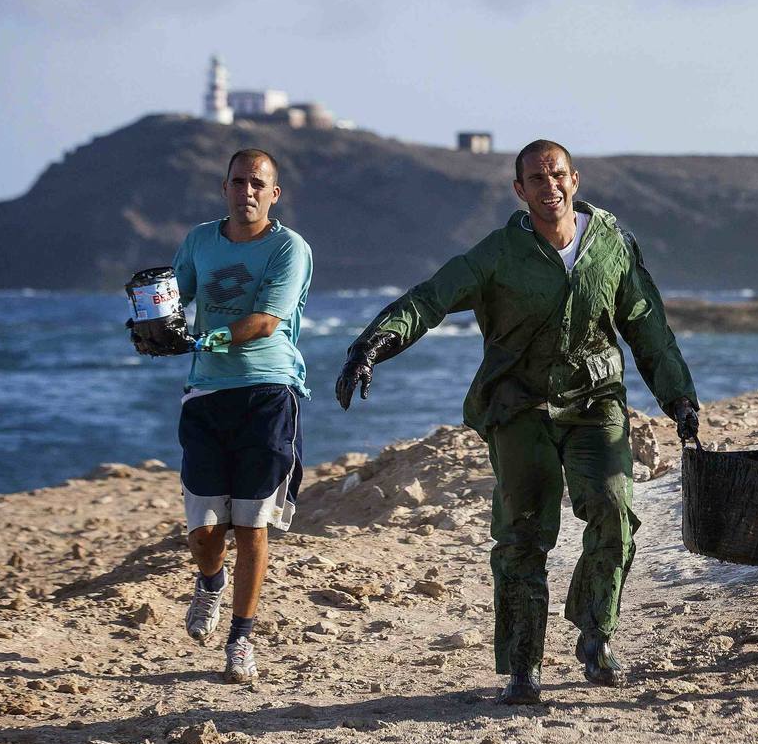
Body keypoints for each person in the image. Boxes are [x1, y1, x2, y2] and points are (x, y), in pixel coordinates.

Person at [336, 139, 699, 705]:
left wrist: (680, 398)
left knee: (613, 509)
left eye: (557, 175)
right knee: (522, 535)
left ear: (574, 180)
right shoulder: (499, 253)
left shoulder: (613, 245)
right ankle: (523, 667)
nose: (548, 186)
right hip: (518, 407)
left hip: (595, 403)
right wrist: (374, 342)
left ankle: (596, 634)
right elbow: (432, 297)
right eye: (536, 179)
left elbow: (648, 328)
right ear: (519, 190)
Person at [130, 148, 313, 683]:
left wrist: (201, 339)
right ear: (225, 188)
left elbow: (265, 321)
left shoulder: (289, 248)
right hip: (207, 393)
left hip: (268, 391)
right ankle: (210, 581)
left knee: (252, 526)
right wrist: (150, 323)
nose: (247, 192)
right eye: (238, 182)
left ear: (274, 194)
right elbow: (175, 300)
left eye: (257, 184)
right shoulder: (199, 241)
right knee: (205, 531)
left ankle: (241, 639)